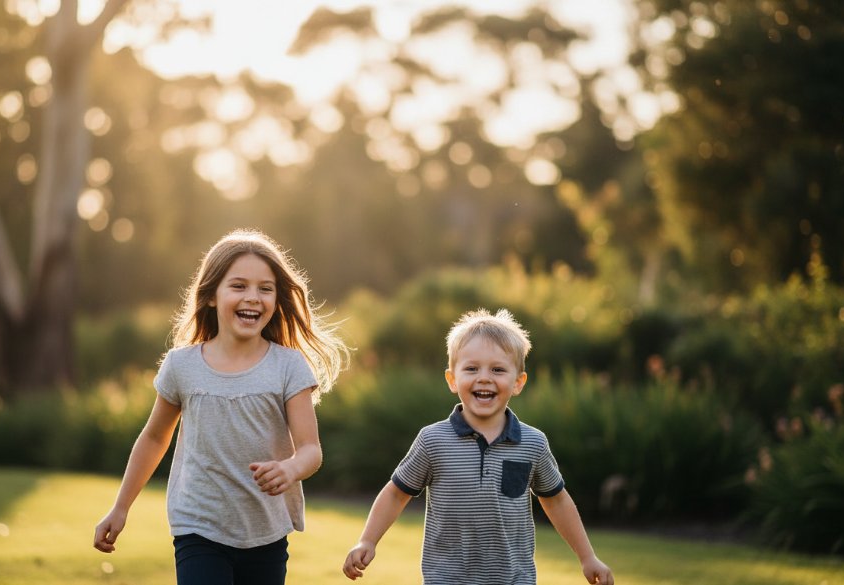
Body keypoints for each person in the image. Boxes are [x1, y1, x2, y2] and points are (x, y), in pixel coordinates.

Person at [94, 228, 348, 585]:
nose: (253, 298)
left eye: (265, 288)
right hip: (198, 526)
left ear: (277, 299)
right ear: (212, 295)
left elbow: (311, 449)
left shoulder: (288, 366)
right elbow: (154, 438)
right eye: (239, 286)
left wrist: (290, 468)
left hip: (266, 532)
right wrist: (120, 508)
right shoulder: (182, 365)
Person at [342, 308, 614, 585]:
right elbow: (395, 494)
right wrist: (367, 541)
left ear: (518, 382)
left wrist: (587, 557)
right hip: (447, 579)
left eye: (498, 369)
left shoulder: (533, 443)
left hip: (514, 579)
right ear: (452, 379)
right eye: (472, 369)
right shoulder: (433, 440)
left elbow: (556, 500)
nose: (484, 378)